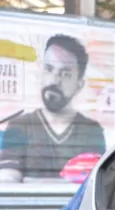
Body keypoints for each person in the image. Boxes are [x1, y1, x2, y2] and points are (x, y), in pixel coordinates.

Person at [0, 34, 106, 182]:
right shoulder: (20, 125)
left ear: (79, 85)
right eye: (49, 69)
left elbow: (96, 183)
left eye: (65, 74)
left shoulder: (91, 130)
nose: (54, 80)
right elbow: (8, 179)